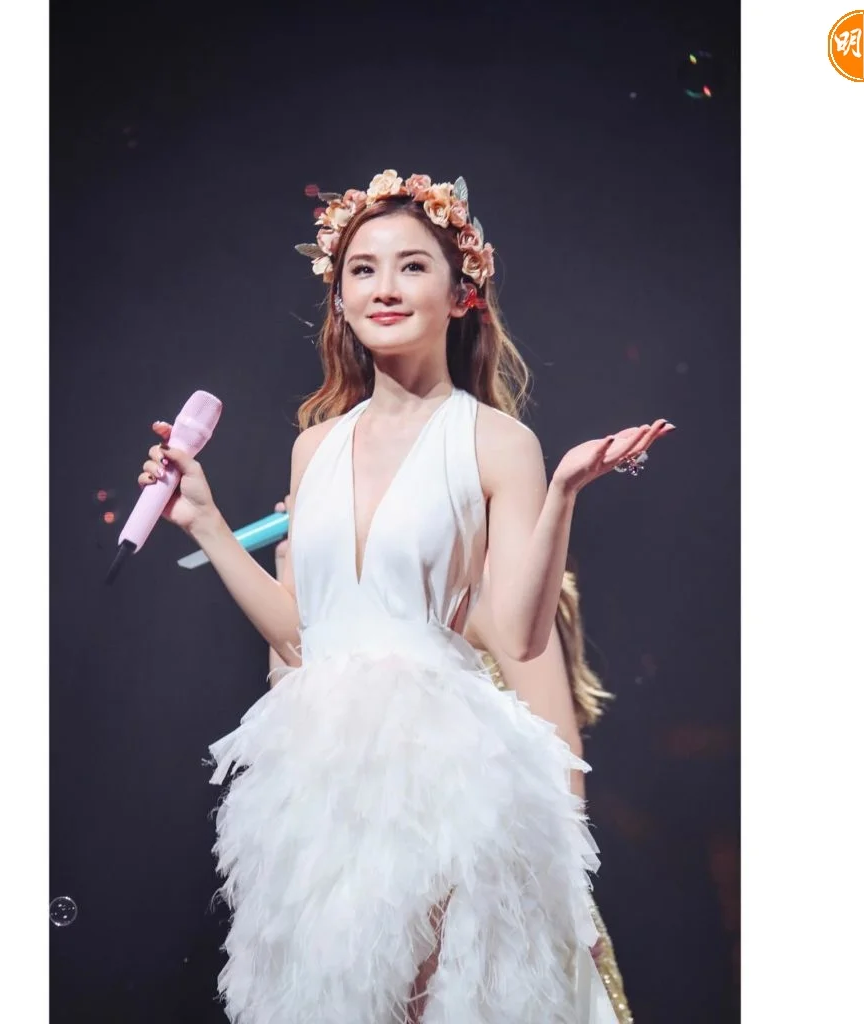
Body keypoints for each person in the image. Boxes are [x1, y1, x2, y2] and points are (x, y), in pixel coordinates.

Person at [136, 169, 672, 1023]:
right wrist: (205, 522)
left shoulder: (498, 441)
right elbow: (302, 637)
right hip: (317, 772)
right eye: (363, 269)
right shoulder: (315, 448)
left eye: (412, 266)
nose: (384, 287)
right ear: (340, 298)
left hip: (440, 765)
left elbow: (522, 638)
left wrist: (564, 494)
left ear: (461, 294)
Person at [269, 512, 634, 1023]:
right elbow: (295, 717)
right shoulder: (361, 589)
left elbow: (560, 750)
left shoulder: (477, 575)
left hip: (488, 892)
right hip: (378, 885)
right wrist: (295, 577)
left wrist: (566, 897)